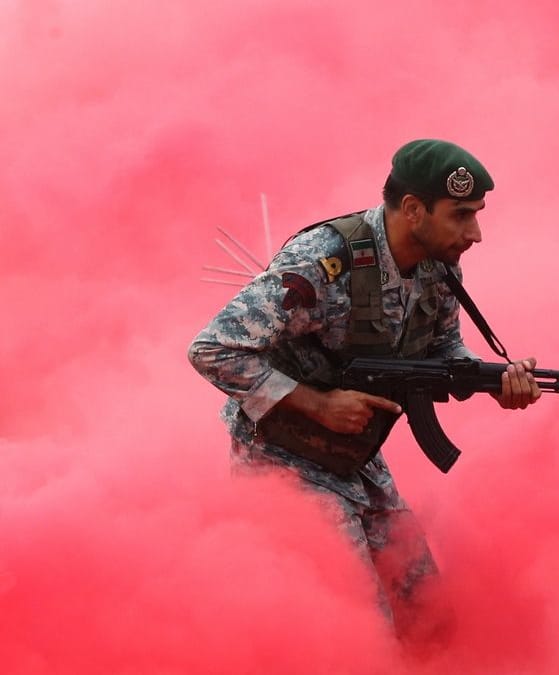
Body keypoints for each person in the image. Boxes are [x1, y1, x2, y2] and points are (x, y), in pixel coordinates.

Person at [187, 139, 541, 640]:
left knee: (430, 614)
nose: (475, 233)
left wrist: (492, 380)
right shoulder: (324, 261)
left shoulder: (439, 267)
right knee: (359, 626)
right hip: (282, 461)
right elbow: (213, 349)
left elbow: (444, 351)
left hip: (356, 458)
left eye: (477, 214)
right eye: (461, 215)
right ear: (414, 210)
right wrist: (318, 403)